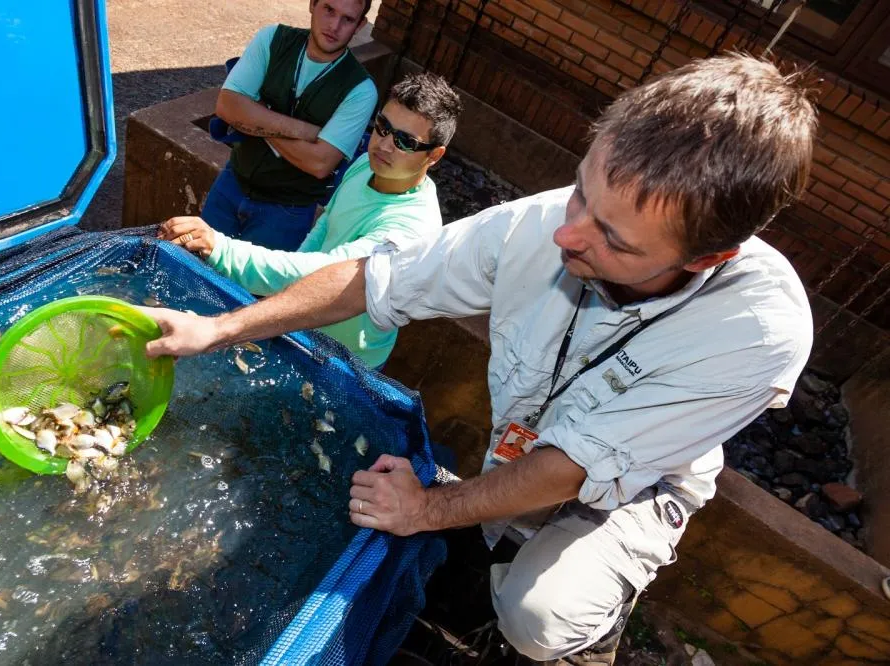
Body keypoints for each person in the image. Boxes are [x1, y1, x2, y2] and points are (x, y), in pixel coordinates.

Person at [139, 55, 817, 664]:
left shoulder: (756, 334)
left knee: (539, 617)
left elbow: (573, 466)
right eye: (582, 189)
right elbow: (372, 278)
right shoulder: (544, 224)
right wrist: (221, 328)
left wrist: (424, 509)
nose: (566, 234)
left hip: (633, 481)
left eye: (613, 238)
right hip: (523, 450)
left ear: (705, 259)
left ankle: (587, 641)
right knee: (477, 542)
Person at [159, 73, 462, 369]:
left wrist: (221, 248)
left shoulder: (410, 231)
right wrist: (291, 291)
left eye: (405, 142)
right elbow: (326, 224)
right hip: (301, 326)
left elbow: (324, 276)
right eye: (382, 127)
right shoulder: (368, 165)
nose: (384, 145)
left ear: (434, 155)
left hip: (345, 361)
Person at [203, 0, 378, 251]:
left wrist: (257, 113)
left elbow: (320, 163)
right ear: (312, 4)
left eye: (348, 19)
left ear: (360, 24)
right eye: (328, 10)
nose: (334, 26)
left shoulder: (361, 90)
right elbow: (227, 106)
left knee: (253, 291)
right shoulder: (273, 38)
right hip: (231, 183)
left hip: (286, 213)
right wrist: (305, 132)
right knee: (193, 272)